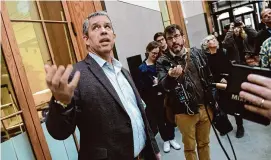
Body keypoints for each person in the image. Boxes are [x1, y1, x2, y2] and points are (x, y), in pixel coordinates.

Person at [45, 11, 160, 160]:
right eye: (96, 27)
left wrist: (153, 148)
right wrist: (61, 102)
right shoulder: (76, 75)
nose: (104, 30)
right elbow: (59, 132)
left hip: (143, 155)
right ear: (86, 39)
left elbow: (139, 114)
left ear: (113, 36)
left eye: (107, 26)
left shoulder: (123, 71)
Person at [156, 24, 213, 160]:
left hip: (205, 108)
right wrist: (170, 77)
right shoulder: (162, 61)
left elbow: (209, 76)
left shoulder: (196, 53)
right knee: (189, 148)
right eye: (170, 38)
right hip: (183, 113)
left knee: (204, 144)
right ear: (166, 41)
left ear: (183, 37)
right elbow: (163, 86)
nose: (174, 41)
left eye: (176, 36)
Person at [138, 41, 181, 153]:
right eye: (153, 53)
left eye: (157, 53)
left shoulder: (161, 63)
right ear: (148, 51)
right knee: (160, 120)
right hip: (153, 98)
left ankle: (171, 138)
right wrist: (152, 84)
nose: (155, 55)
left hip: (166, 95)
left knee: (169, 117)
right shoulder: (142, 68)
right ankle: (165, 140)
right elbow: (141, 87)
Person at [201, 35, 245, 138]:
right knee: (221, 107)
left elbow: (230, 68)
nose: (214, 40)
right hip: (217, 85)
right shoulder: (205, 58)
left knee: (236, 105)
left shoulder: (223, 52)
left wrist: (226, 79)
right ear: (206, 44)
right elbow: (208, 73)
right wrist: (218, 81)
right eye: (210, 40)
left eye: (214, 39)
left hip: (229, 83)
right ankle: (225, 126)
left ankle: (240, 127)